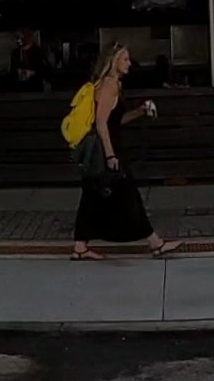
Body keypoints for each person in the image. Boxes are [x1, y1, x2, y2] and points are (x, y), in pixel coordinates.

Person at [63, 46, 164, 259]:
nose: (129, 63)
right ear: (113, 61)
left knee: (93, 196)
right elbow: (101, 123)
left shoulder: (112, 84)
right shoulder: (109, 84)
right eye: (125, 59)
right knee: (128, 194)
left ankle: (80, 247)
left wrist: (140, 111)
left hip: (107, 148)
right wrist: (110, 155)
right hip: (107, 149)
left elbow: (115, 120)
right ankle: (155, 243)